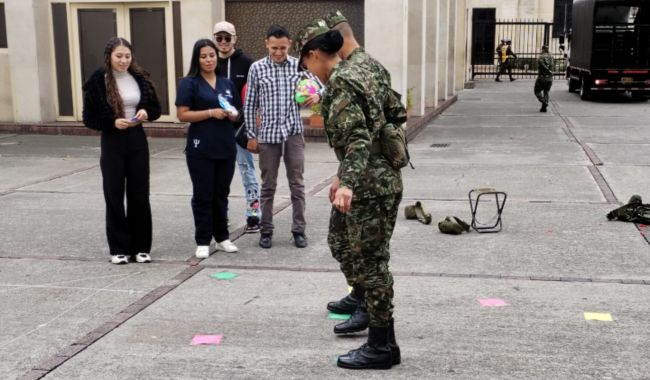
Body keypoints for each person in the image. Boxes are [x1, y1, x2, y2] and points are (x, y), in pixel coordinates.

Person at [295, 19, 403, 370]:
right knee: (344, 244)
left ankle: (382, 346)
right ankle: (369, 316)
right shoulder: (358, 73)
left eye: (305, 65)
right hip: (373, 179)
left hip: (370, 186)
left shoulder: (342, 81)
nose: (308, 72)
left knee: (373, 266)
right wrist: (342, 176)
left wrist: (348, 183)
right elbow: (395, 113)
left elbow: (357, 140)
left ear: (313, 56)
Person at [318, 10, 407, 343]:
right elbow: (397, 113)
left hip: (370, 178)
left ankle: (373, 317)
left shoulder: (352, 72)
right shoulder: (374, 67)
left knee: (369, 257)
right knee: (344, 242)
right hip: (365, 172)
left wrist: (351, 175)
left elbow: (360, 134)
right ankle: (361, 297)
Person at [82, 37, 161, 265]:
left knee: (139, 194)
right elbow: (89, 118)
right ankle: (118, 248)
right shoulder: (99, 80)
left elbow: (156, 108)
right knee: (114, 194)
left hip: (136, 139)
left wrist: (145, 111)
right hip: (113, 141)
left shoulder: (139, 77)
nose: (124, 60)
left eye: (127, 56)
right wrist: (112, 122)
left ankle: (141, 247)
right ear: (109, 57)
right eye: (119, 56)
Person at [244, 25, 319, 249]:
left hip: (293, 133)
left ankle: (299, 230)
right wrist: (251, 135)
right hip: (267, 135)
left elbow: (321, 84)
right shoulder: (257, 68)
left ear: (289, 45)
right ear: (267, 43)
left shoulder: (299, 65)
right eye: (274, 47)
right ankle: (266, 230)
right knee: (268, 186)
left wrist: (315, 96)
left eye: (283, 48)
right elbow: (250, 105)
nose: (278, 52)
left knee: (297, 184)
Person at [176, 39, 240, 258]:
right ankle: (203, 239)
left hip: (225, 146)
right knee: (203, 194)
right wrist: (211, 113)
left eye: (211, 55)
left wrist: (233, 114)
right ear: (197, 59)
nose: (208, 59)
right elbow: (182, 114)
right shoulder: (189, 83)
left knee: (221, 194)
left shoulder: (227, 83)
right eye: (203, 56)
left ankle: (222, 237)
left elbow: (237, 111)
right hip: (200, 148)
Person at [213, 21, 262, 234]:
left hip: (240, 127)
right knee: (218, 174)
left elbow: (255, 93)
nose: (223, 42)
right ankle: (221, 215)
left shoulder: (247, 63)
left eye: (227, 38)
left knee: (246, 169)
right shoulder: (209, 61)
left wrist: (251, 119)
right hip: (215, 128)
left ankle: (253, 214)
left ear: (235, 38)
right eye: (219, 38)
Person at [535, 45, 554, 112]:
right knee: (546, 92)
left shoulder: (541, 57)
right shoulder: (551, 56)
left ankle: (543, 102)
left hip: (542, 77)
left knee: (537, 91)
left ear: (543, 49)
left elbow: (540, 66)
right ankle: (544, 108)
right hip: (550, 77)